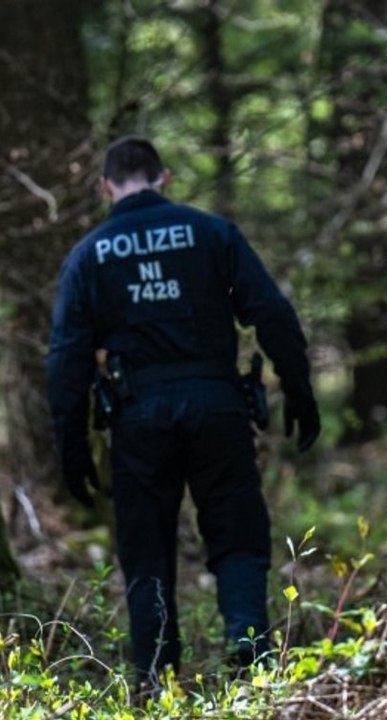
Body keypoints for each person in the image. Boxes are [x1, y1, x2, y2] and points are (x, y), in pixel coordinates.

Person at [45, 136, 321, 688]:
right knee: (237, 530)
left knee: (145, 547)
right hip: (216, 407)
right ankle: (248, 644)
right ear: (163, 178)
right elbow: (271, 312)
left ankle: (154, 673)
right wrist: (299, 391)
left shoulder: (90, 255)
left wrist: (71, 449)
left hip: (137, 418)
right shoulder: (211, 232)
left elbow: (66, 360)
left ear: (106, 188)